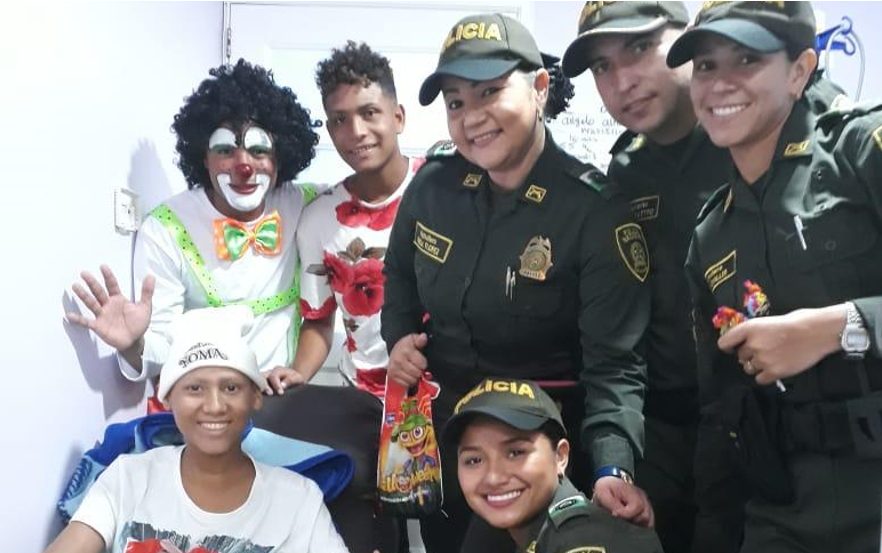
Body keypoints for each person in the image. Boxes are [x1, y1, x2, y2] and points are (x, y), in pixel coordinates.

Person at [560, 4, 852, 551]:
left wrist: (843, 327)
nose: (622, 82)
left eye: (640, 48)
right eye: (601, 66)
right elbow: (619, 333)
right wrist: (615, 461)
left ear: (687, 39)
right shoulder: (626, 170)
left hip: (805, 434)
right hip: (673, 430)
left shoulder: (806, 136)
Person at [382, 12, 653, 553]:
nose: (472, 117)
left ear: (540, 88)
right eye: (456, 102)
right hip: (450, 443)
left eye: (490, 92)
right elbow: (400, 276)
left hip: (538, 456)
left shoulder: (592, 211)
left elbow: (615, 365)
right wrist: (400, 339)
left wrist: (613, 467)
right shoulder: (432, 186)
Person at [667, 2, 882, 552]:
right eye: (706, 65)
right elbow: (720, 409)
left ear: (799, 70)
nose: (720, 83)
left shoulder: (860, 153)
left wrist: (841, 327)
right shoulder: (711, 235)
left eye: (747, 59)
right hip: (781, 513)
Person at [255, 41, 422, 553]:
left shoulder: (443, 191)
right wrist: (298, 372)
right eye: (340, 120)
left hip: (446, 396)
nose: (356, 131)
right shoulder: (320, 218)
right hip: (364, 404)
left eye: (369, 113)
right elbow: (318, 321)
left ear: (398, 116)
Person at [67, 59, 320, 385]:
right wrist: (133, 345)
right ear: (203, 156)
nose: (243, 166)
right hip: (209, 401)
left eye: (259, 150)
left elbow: (364, 202)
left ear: (279, 156)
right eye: (225, 150)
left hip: (284, 395)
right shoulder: (167, 228)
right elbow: (163, 344)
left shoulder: (307, 204)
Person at [44, 306, 348, 553]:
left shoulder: (299, 500)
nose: (214, 406)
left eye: (231, 388)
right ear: (167, 398)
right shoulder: (128, 478)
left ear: (255, 397)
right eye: (194, 388)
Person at [445, 377, 664, 553]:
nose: (494, 477)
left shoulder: (582, 540)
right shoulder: (534, 535)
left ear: (560, 457)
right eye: (474, 460)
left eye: (515, 453)